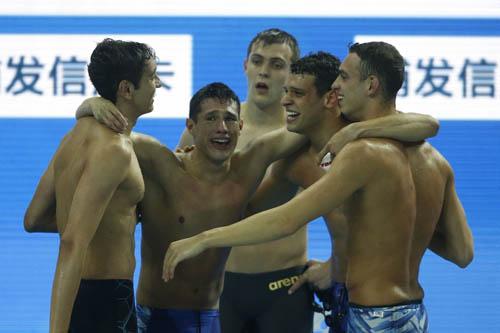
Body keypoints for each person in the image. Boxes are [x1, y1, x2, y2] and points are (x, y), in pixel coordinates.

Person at [163, 42, 474, 333]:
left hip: (370, 312)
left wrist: (204, 238)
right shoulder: (436, 161)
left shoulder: (361, 153)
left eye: (343, 77)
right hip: (407, 311)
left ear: (369, 86)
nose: (338, 86)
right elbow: (462, 253)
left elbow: (286, 220)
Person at [76, 81, 308, 332]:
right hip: (156, 317)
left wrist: (355, 126)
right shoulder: (162, 165)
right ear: (191, 126)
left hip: (210, 317)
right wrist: (89, 106)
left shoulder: (248, 166)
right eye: (211, 119)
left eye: (230, 119)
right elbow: (102, 134)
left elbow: (307, 127)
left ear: (241, 127)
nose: (222, 128)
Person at [178, 28, 316, 333]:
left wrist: (338, 264)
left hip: (285, 287)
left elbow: (343, 207)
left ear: (294, 73)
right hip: (220, 287)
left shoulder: (305, 134)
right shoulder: (214, 127)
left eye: (277, 64)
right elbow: (178, 201)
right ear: (245, 66)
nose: (264, 71)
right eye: (258, 61)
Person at [24, 38, 160, 332]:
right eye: (151, 77)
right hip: (107, 303)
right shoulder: (115, 150)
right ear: (126, 89)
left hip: (87, 298)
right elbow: (72, 242)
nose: (158, 84)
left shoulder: (73, 137)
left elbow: (34, 219)